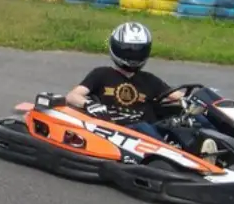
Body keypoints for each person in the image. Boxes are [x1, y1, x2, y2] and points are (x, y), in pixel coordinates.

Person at [65, 22, 216, 155]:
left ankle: (215, 146)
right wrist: (89, 104)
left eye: (138, 51)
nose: (134, 56)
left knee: (188, 119)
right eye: (128, 51)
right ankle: (173, 156)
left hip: (151, 129)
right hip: (118, 129)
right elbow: (73, 96)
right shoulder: (102, 74)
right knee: (142, 126)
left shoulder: (149, 80)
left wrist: (192, 104)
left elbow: (177, 96)